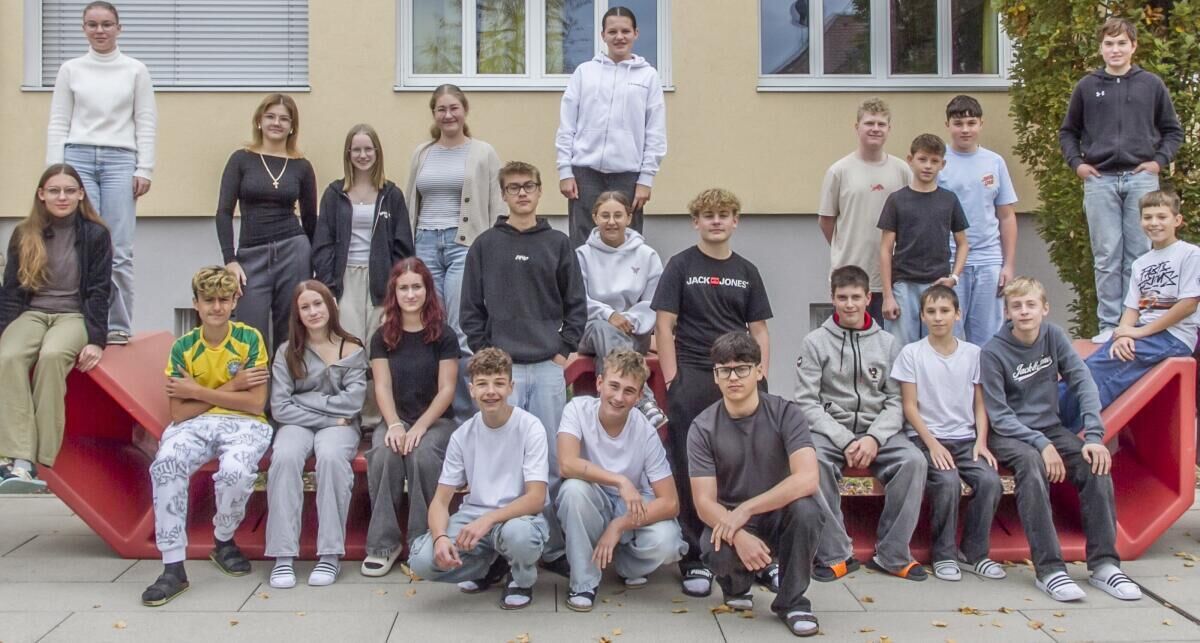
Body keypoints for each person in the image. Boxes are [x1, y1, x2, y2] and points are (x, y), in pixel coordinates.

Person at [460, 160, 586, 573]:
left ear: (539, 190)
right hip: (502, 376)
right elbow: (470, 310)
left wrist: (563, 350)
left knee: (549, 462)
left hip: (547, 369)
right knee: (503, 463)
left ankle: (550, 547)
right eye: (513, 187)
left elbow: (576, 305)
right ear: (503, 194)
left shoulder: (558, 244)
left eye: (528, 186)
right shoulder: (485, 245)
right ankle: (502, 550)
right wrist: (488, 358)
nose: (522, 193)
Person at [981, 277, 1141, 602]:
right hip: (1009, 434)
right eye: (1016, 306)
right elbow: (999, 415)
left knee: (1093, 464)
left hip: (1049, 428)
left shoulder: (1053, 336)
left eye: (1030, 304)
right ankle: (1050, 570)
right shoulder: (993, 352)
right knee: (1031, 465)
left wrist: (1094, 436)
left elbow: (1083, 382)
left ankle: (1104, 565)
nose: (1024, 311)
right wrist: (1042, 445)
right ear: (1007, 312)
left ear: (1044, 308)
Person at [652, 187, 772, 597]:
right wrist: (673, 379)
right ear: (696, 222)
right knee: (690, 466)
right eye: (708, 215)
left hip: (739, 379)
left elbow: (759, 329)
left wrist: (760, 374)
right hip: (693, 377)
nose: (716, 221)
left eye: (724, 214)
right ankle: (694, 558)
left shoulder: (747, 270)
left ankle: (747, 549)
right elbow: (664, 325)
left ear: (735, 221)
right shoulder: (680, 265)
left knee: (745, 465)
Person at [141, 266, 273, 607]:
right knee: (166, 464)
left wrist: (197, 391)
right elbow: (179, 413)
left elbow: (255, 403)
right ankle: (173, 567)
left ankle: (223, 538)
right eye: (209, 300)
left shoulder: (249, 339)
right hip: (193, 425)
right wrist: (233, 386)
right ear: (196, 304)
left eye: (224, 300)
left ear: (234, 302)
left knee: (236, 471)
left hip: (245, 424)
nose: (217, 307)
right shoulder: (183, 347)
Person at [794, 265, 927, 582]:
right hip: (831, 430)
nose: (849, 304)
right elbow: (807, 402)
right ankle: (836, 554)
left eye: (856, 297)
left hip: (877, 429)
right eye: (842, 297)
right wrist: (844, 439)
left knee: (914, 461)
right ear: (832, 299)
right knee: (813, 462)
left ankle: (893, 554)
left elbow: (896, 400)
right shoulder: (814, 342)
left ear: (869, 298)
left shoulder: (888, 343)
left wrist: (874, 438)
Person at [689, 332, 824, 637]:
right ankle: (737, 586)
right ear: (715, 376)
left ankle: (792, 602)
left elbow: (807, 477)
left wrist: (748, 509)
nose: (733, 377)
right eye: (725, 370)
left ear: (759, 371)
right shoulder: (702, 427)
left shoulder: (786, 413)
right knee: (716, 548)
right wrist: (738, 534)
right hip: (730, 520)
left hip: (777, 515)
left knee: (808, 511)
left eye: (742, 368)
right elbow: (704, 502)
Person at [1059, 17, 1183, 343]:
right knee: (1106, 255)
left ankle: (1137, 324)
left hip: (1140, 180)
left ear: (1133, 46)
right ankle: (1109, 325)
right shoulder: (1087, 86)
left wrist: (1158, 162)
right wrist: (1077, 164)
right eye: (1109, 43)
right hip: (1100, 180)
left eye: (1121, 43)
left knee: (1140, 255)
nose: (1115, 49)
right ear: (1101, 48)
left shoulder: (1151, 85)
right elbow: (1068, 132)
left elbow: (1172, 130)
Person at [45, 1, 155, 346]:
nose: (100, 31)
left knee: (118, 248)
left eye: (107, 24)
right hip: (77, 158)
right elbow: (59, 121)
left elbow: (146, 121)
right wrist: (55, 172)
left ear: (119, 28)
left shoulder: (135, 70)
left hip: (120, 160)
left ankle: (118, 325)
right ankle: (82, 322)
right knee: (82, 242)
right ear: (83, 29)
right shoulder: (70, 70)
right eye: (92, 24)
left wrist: (145, 167)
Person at [406, 348, 550, 611]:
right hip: (474, 516)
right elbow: (440, 502)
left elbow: (536, 498)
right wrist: (440, 538)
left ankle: (520, 578)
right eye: (482, 384)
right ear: (471, 390)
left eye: (499, 383)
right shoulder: (463, 435)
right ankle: (488, 566)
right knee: (421, 560)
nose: (490, 391)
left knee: (520, 536)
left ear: (511, 387)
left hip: (518, 518)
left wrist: (489, 520)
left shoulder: (530, 427)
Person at [0, 164, 111, 492]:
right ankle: (18, 458)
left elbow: (100, 290)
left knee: (51, 357)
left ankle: (42, 459)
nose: (62, 197)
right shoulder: (24, 233)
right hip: (32, 313)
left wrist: (97, 340)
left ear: (80, 194)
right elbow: (11, 291)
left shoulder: (96, 234)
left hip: (72, 315)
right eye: (54, 190)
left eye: (69, 190)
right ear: (41, 195)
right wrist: (4, 330)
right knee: (8, 357)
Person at [556, 349, 685, 611]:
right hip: (593, 501)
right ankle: (584, 582)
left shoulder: (645, 431)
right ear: (599, 383)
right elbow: (567, 464)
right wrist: (620, 481)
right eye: (613, 386)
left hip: (629, 507)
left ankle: (626, 564)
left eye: (629, 391)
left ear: (639, 397)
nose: (618, 397)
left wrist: (618, 526)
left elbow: (671, 503)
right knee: (573, 491)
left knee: (668, 541)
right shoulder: (577, 409)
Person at [891, 285, 1004, 582]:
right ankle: (944, 554)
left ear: (957, 314)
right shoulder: (911, 354)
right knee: (947, 481)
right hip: (926, 438)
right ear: (922, 316)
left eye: (944, 311)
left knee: (990, 481)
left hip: (965, 438)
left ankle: (974, 553)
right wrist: (932, 445)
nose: (938, 317)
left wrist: (981, 441)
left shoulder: (974, 354)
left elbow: (980, 403)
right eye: (931, 312)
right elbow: (909, 406)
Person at [405, 84, 505, 419]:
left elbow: (496, 204)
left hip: (464, 245)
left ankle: (465, 413)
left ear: (464, 110)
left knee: (461, 328)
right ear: (434, 114)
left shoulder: (482, 152)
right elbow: (411, 201)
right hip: (425, 243)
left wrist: (492, 250)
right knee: (428, 326)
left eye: (454, 108)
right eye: (441, 109)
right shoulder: (422, 153)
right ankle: (433, 409)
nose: (448, 115)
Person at [1061, 190, 1199, 426]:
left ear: (1177, 220)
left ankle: (1070, 428)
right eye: (1147, 217)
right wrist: (1124, 334)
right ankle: (1047, 418)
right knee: (1085, 367)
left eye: (1161, 217)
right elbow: (1132, 308)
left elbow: (1188, 304)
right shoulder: (1141, 263)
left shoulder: (1190, 254)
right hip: (1144, 333)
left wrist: (1138, 332)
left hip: (1173, 336)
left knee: (1105, 369)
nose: (1154, 223)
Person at [361, 259, 461, 577]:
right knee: (384, 453)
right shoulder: (383, 336)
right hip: (396, 417)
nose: (410, 294)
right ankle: (383, 545)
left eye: (417, 286)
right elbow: (382, 385)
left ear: (427, 290)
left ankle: (422, 541)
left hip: (436, 421)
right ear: (394, 293)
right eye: (403, 288)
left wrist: (419, 427)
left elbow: (447, 390)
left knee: (423, 455)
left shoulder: (444, 335)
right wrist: (393, 424)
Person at [265, 280, 367, 589]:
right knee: (284, 457)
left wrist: (305, 399)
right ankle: (283, 554)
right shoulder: (287, 352)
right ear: (297, 314)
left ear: (331, 306)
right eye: (305, 307)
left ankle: (330, 553)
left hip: (341, 428)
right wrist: (327, 415)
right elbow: (281, 407)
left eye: (318, 304)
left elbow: (353, 403)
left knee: (332, 458)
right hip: (301, 423)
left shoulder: (352, 349)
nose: (313, 312)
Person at [556, 5, 667, 247]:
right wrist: (565, 171)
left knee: (626, 243)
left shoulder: (648, 77)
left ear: (636, 33)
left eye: (625, 31)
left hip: (628, 175)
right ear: (603, 35)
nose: (619, 37)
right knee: (582, 244)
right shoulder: (584, 73)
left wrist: (646, 179)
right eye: (612, 31)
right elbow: (567, 126)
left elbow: (655, 132)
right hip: (585, 173)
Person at [216, 93, 317, 351]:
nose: (276, 123)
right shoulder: (241, 159)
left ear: (292, 126)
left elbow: (310, 218)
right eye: (270, 116)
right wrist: (230, 259)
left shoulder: (302, 166)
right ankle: (257, 380)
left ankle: (287, 379)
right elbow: (224, 212)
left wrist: (316, 265)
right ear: (259, 121)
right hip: (251, 257)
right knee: (250, 334)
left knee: (291, 332)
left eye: (284, 119)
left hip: (293, 252)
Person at [313, 123, 414, 346]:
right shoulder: (334, 194)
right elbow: (323, 245)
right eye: (356, 150)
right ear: (348, 154)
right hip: (344, 279)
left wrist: (397, 287)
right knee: (347, 342)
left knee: (380, 343)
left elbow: (403, 248)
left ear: (377, 152)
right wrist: (328, 288)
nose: (363, 155)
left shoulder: (391, 195)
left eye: (368, 149)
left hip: (381, 279)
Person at [575, 190, 666, 427]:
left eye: (618, 215)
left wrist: (629, 319)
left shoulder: (647, 255)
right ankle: (644, 401)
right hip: (590, 329)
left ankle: (603, 421)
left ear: (629, 217)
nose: (612, 222)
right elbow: (577, 299)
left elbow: (655, 302)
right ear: (595, 217)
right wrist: (609, 315)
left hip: (634, 331)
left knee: (608, 347)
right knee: (603, 330)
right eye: (605, 215)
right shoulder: (582, 255)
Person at [818, 97, 912, 320]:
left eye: (881, 124)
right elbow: (826, 221)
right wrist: (844, 247)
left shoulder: (902, 170)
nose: (875, 129)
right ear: (857, 126)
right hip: (849, 278)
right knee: (848, 338)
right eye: (869, 123)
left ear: (889, 129)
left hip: (890, 280)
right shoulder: (839, 171)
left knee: (886, 341)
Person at [939, 95, 1018, 344]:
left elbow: (1006, 216)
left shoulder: (994, 162)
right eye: (958, 123)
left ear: (981, 124)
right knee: (949, 335)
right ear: (948, 125)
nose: (965, 129)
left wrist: (1008, 264)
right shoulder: (938, 162)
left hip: (989, 261)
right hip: (950, 261)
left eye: (971, 123)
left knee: (989, 339)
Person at [879, 134, 969, 345]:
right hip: (904, 286)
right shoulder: (897, 200)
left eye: (934, 161)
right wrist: (888, 296)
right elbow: (885, 249)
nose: (928, 166)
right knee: (900, 349)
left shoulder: (949, 200)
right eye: (922, 159)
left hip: (939, 284)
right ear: (910, 160)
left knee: (945, 346)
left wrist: (954, 278)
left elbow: (963, 243)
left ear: (942, 164)